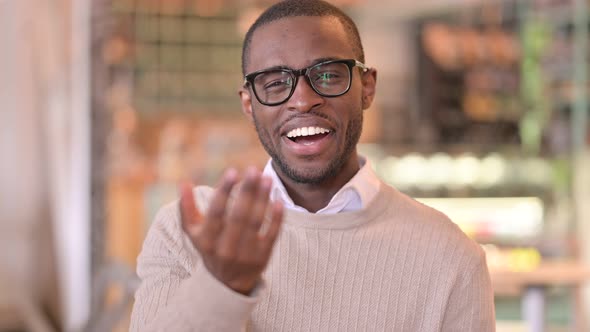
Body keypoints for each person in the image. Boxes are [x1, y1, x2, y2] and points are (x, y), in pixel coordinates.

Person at [130, 1, 496, 331]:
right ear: (248, 104)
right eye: (275, 83)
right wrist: (222, 287)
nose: (303, 101)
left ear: (366, 87)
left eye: (328, 75)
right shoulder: (189, 229)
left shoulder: (451, 258)